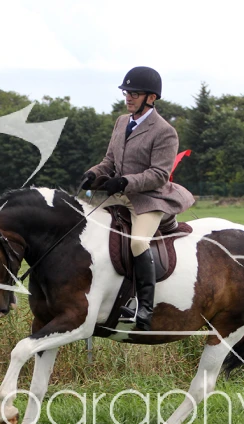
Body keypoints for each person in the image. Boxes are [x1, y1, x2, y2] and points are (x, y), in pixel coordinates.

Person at [81, 66, 195, 331]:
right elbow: (109, 161)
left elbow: (159, 174)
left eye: (134, 93)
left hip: (149, 199)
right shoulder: (122, 122)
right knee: (85, 225)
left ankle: (144, 308)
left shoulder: (165, 131)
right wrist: (93, 174)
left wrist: (125, 181)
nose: (128, 98)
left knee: (138, 242)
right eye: (126, 93)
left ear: (151, 98)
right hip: (120, 196)